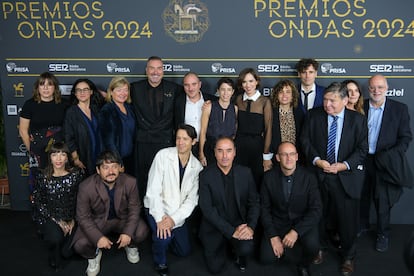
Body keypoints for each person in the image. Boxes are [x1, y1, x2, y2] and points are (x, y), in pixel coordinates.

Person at [300, 82, 368, 276]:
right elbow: (304, 140)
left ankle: (348, 256)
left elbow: (362, 149)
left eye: (333, 100)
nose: (327, 104)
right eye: (325, 99)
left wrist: (344, 165)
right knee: (317, 216)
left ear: (345, 101)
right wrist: (316, 160)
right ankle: (318, 249)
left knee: (347, 220)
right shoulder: (313, 115)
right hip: (318, 174)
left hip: (345, 177)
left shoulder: (358, 120)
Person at [71, 150, 148, 276]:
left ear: (119, 168)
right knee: (80, 244)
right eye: (106, 168)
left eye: (114, 167)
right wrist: (98, 238)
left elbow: (134, 209)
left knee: (141, 231)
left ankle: (131, 246)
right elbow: (83, 218)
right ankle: (94, 255)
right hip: (99, 221)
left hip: (122, 219)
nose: (111, 171)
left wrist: (128, 233)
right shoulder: (86, 187)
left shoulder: (130, 182)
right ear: (98, 170)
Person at [360, 74, 412, 252]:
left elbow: (405, 137)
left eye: (380, 87)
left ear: (387, 89)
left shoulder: (399, 109)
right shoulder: (361, 106)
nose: (376, 91)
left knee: (382, 200)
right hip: (363, 159)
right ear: (369, 89)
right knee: (361, 195)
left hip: (385, 161)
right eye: (373, 87)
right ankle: (362, 226)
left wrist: (392, 155)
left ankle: (383, 234)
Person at [144, 124, 203, 276]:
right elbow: (153, 190)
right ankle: (160, 261)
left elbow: (192, 201)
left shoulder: (197, 167)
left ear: (194, 142)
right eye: (178, 138)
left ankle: (165, 236)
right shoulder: (163, 155)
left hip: (176, 214)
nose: (180, 142)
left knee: (184, 251)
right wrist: (160, 218)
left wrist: (172, 220)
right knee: (163, 237)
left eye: (185, 139)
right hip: (157, 208)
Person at [199, 136, 260, 274]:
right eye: (220, 151)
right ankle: (227, 246)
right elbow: (207, 210)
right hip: (215, 227)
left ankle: (237, 252)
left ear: (235, 152)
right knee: (215, 269)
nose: (224, 156)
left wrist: (250, 227)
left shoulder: (245, 173)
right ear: (214, 153)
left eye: (228, 150)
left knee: (246, 248)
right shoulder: (205, 175)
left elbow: (254, 202)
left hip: (239, 223)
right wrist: (231, 232)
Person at [260, 142, 322, 276]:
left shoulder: (309, 177)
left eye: (292, 154)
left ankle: (302, 264)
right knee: (265, 258)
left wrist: (296, 232)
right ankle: (287, 248)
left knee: (313, 247)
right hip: (278, 222)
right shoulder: (268, 178)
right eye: (284, 154)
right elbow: (264, 209)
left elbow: (316, 210)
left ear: (297, 156)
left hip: (302, 222)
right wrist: (273, 236)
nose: (289, 158)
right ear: (277, 157)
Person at [130, 56, 184, 199]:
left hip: (165, 142)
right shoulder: (135, 88)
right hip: (143, 143)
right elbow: (116, 96)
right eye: (152, 68)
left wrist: (211, 101)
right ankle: (143, 214)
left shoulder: (174, 89)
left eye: (159, 68)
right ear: (146, 70)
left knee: (165, 181)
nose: (155, 72)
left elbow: (194, 95)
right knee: (143, 181)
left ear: (163, 71)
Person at [32, 142, 84, 271]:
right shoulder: (43, 176)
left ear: (67, 157)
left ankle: (65, 246)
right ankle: (53, 252)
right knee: (55, 239)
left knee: (68, 253)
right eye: (55, 155)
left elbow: (81, 200)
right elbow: (38, 201)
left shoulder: (76, 175)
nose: (59, 159)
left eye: (62, 154)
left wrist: (73, 220)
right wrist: (57, 221)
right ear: (50, 157)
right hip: (51, 216)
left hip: (71, 216)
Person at [19, 72, 67, 190]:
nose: (45, 88)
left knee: (60, 183)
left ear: (55, 87)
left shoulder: (64, 104)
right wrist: (32, 150)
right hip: (37, 151)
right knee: (39, 182)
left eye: (49, 84)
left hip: (59, 152)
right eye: (42, 84)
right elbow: (23, 130)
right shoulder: (29, 105)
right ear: (37, 87)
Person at [234, 68, 272, 188]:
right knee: (239, 181)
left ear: (257, 82)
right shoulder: (238, 99)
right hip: (239, 147)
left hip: (257, 148)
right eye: (244, 82)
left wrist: (266, 156)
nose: (248, 85)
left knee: (257, 182)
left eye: (251, 81)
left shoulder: (265, 101)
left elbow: (268, 129)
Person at [64, 78, 105, 176]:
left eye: (85, 89)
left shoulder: (97, 110)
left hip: (100, 156)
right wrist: (76, 159)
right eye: (79, 90)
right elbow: (68, 137)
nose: (82, 92)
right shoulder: (71, 112)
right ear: (75, 93)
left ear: (91, 92)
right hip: (83, 157)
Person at [99, 77, 135, 175]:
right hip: (115, 160)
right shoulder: (107, 110)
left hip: (131, 158)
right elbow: (108, 141)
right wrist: (118, 162)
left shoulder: (129, 108)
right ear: (111, 92)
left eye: (125, 90)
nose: (123, 93)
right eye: (119, 90)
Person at [174, 72, 216, 158]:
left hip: (208, 147)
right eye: (187, 85)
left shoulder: (212, 101)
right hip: (186, 147)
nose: (191, 88)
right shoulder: (177, 102)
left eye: (194, 84)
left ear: (199, 84)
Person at [199, 77, 237, 166]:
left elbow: (234, 132)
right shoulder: (209, 107)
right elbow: (203, 132)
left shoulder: (235, 109)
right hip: (210, 150)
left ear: (233, 92)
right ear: (218, 91)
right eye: (223, 89)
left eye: (229, 90)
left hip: (227, 153)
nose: (225, 93)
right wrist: (201, 153)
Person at [269, 79, 304, 164]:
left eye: (288, 92)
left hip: (295, 158)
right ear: (276, 95)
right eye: (281, 92)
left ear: (293, 95)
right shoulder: (270, 112)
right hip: (276, 157)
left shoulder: (299, 113)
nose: (284, 95)